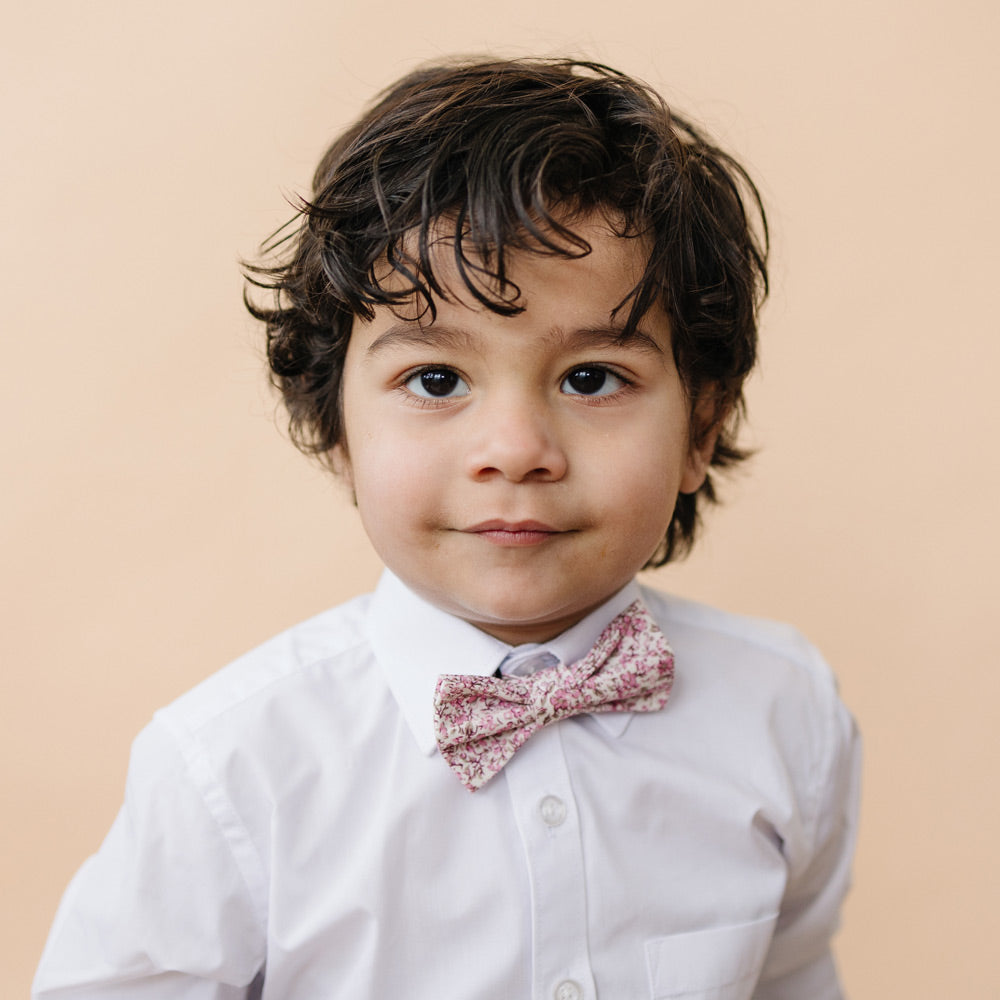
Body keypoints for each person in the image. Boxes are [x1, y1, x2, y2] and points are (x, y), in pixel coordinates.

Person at [33, 58, 860, 999]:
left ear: (699, 430)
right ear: (336, 431)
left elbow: (793, 976)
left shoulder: (786, 711)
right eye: (436, 380)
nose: (515, 450)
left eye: (592, 378)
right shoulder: (231, 767)